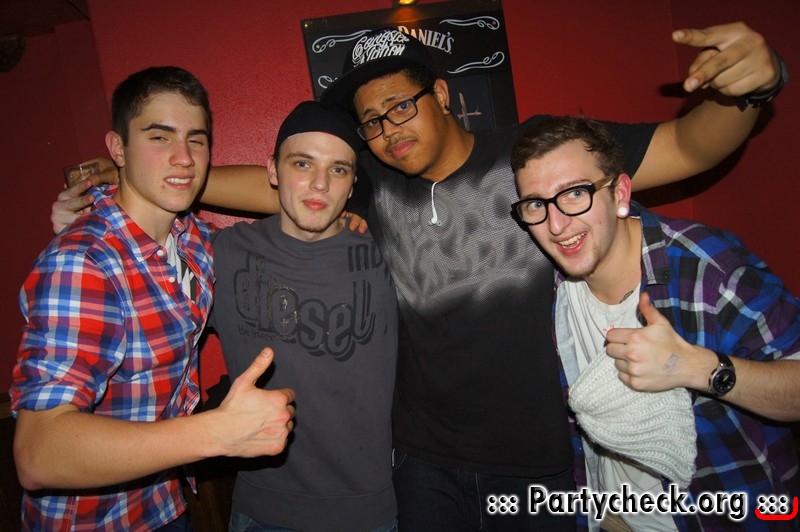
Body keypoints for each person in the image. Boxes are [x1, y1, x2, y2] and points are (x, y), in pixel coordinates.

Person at [50, 22, 787, 531]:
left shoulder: (533, 162)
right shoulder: (370, 186)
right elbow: (282, 184)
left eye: (399, 106)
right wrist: (150, 178)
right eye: (371, 121)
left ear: (441, 96)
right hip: (422, 463)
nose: (387, 129)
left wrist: (750, 91)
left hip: (535, 462)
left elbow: (689, 147)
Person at [11, 66, 296, 532]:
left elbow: (288, 195)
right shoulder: (84, 262)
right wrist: (219, 432)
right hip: (92, 521)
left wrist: (339, 213)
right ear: (117, 147)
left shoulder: (191, 240)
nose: (183, 158)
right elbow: (39, 454)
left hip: (161, 502)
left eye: (196, 140)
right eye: (159, 137)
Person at [510, 115, 800, 530]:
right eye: (536, 204)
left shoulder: (707, 268)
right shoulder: (548, 289)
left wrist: (700, 368)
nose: (556, 225)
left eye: (575, 193)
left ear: (620, 193)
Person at [213, 101, 398, 532]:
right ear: (272, 170)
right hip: (261, 513)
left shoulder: (387, 252)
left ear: (352, 185)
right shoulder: (222, 253)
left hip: (365, 514)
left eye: (338, 169)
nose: (319, 183)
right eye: (302, 163)